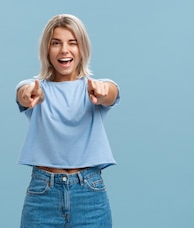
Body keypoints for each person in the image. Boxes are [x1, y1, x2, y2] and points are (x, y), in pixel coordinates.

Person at [15, 14, 120, 227]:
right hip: (43, 194)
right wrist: (30, 94)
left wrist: (102, 92)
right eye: (56, 43)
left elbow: (111, 92)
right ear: (47, 49)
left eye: (72, 43)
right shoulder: (34, 86)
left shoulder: (95, 87)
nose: (64, 50)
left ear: (82, 49)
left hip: (89, 194)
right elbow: (24, 94)